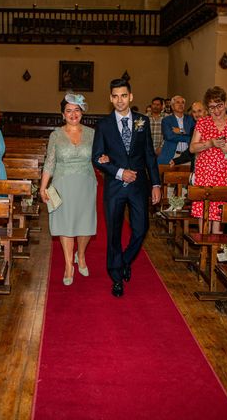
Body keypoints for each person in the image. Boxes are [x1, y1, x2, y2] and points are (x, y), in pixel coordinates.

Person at [92, 79, 161, 297]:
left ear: (130, 96)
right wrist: (120, 171)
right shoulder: (103, 125)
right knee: (113, 233)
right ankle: (116, 277)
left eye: (123, 95)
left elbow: (149, 154)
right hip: (114, 186)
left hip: (139, 187)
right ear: (110, 98)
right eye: (115, 96)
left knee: (141, 229)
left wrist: (156, 183)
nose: (119, 100)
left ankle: (123, 261)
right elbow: (96, 157)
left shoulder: (143, 121)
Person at [40, 93, 97, 285]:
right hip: (62, 184)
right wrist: (43, 187)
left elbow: (99, 156)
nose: (73, 114)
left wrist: (105, 159)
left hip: (86, 183)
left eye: (77, 110)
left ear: (82, 112)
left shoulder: (92, 134)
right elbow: (49, 162)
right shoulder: (55, 135)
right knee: (65, 224)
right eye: (68, 111)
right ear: (63, 114)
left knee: (85, 224)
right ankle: (68, 265)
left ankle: (80, 255)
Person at [189, 87, 227, 233]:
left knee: (219, 214)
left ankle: (216, 249)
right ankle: (204, 249)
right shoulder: (203, 123)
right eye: (211, 108)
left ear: (225, 103)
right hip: (205, 174)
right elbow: (192, 148)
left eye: (219, 106)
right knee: (203, 212)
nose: (216, 111)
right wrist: (210, 143)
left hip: (226, 174)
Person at [158, 95, 195, 164]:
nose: (181, 105)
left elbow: (194, 135)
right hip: (171, 155)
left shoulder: (190, 119)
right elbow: (169, 136)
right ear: (172, 106)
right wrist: (187, 137)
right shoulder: (166, 120)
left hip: (187, 157)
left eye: (183, 103)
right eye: (178, 102)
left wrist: (181, 131)